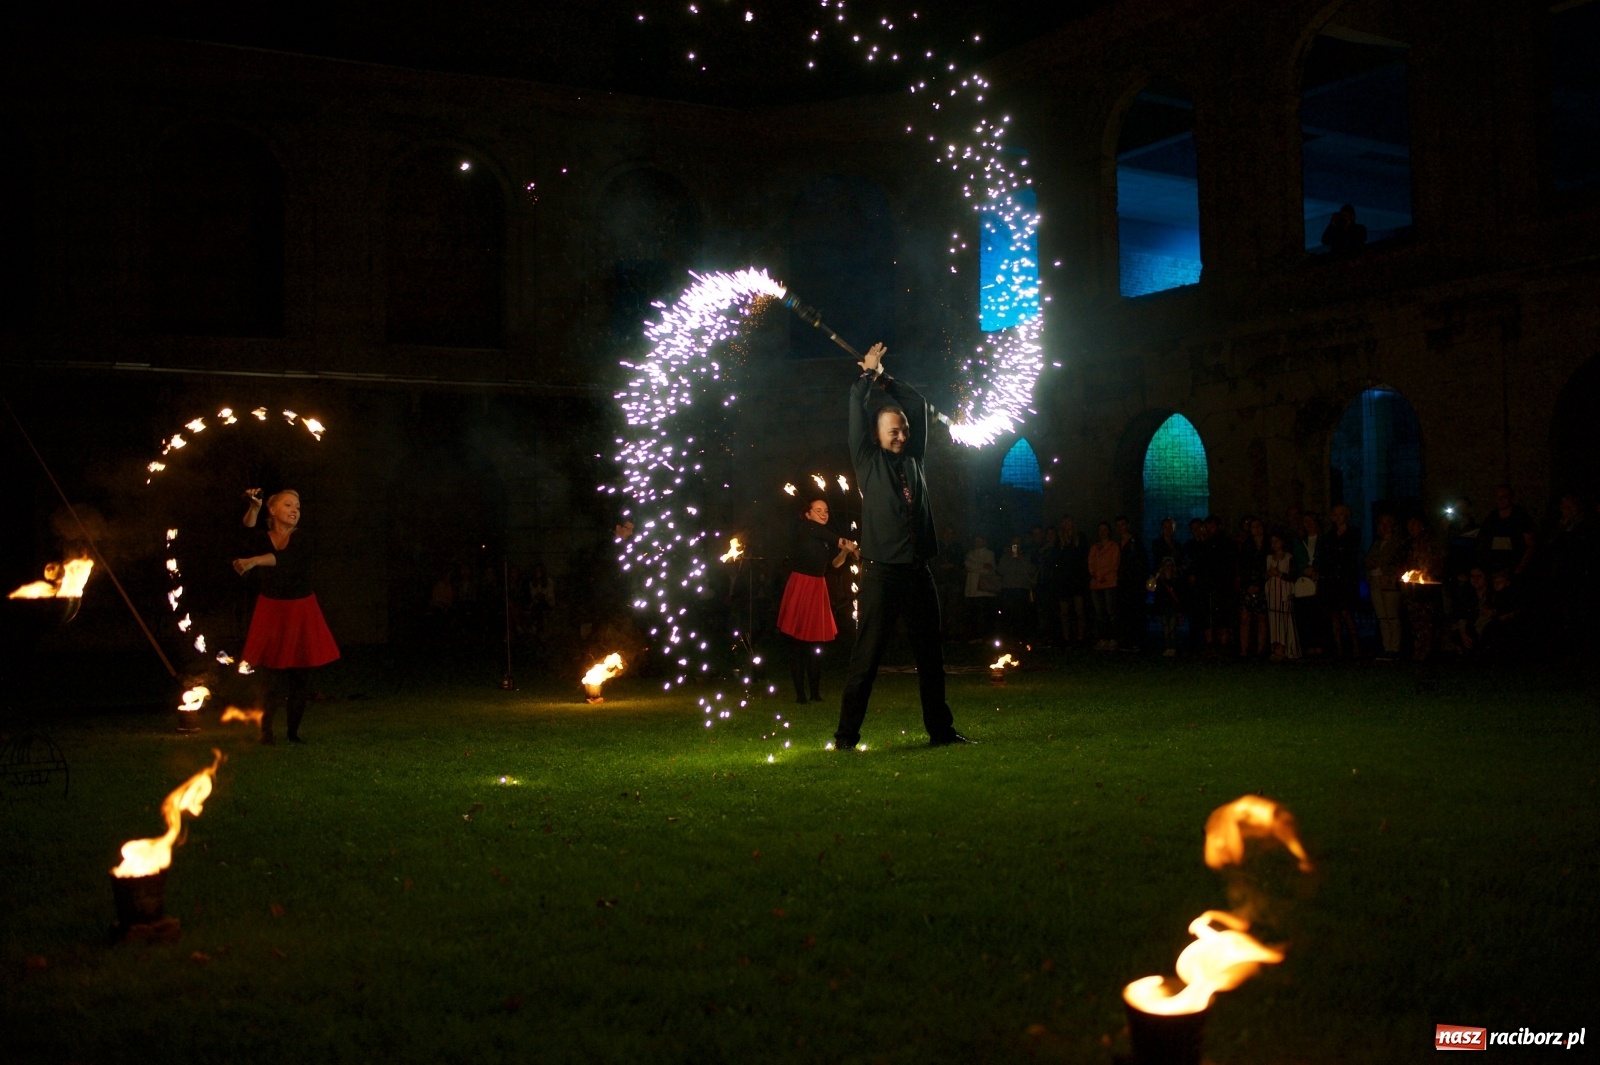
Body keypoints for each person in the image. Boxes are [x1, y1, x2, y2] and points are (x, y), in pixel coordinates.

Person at [833, 343, 968, 751]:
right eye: (892, 430)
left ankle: (941, 733)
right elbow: (856, 409)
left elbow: (917, 402)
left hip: (917, 572)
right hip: (880, 573)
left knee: (931, 658)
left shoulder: (916, 457)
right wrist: (865, 378)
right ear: (876, 435)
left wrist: (885, 379)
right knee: (866, 660)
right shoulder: (866, 460)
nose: (900, 435)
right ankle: (845, 738)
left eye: (903, 429)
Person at [233, 489, 340, 743]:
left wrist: (253, 562)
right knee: (270, 677)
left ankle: (293, 734)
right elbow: (245, 534)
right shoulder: (263, 537)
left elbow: (286, 560)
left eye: (298, 507)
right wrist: (255, 507)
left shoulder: (303, 539)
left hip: (300, 610)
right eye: (288, 505)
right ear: (273, 510)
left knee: (299, 675)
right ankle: (266, 731)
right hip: (272, 610)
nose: (295, 510)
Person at [778, 498, 856, 703]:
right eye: (818, 510)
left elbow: (835, 564)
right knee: (797, 642)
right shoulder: (808, 528)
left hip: (817, 587)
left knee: (816, 643)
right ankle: (800, 695)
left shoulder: (823, 536)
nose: (824, 514)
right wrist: (852, 547)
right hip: (801, 585)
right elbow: (837, 539)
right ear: (808, 514)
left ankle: (814, 693)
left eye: (826, 510)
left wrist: (845, 553)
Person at [1364, 513, 1406, 661]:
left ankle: (1394, 647)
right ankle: (1386, 647)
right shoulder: (1377, 543)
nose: (1384, 526)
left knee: (1392, 615)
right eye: (1381, 523)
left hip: (1389, 581)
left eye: (1387, 523)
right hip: (1375, 580)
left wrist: (1384, 567)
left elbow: (1395, 561)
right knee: (1382, 616)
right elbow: (1368, 560)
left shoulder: (1398, 543)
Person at [1324, 504, 1362, 658]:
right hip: (1333, 579)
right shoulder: (1329, 535)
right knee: (1334, 615)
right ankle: (1339, 647)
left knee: (1346, 613)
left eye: (1341, 514)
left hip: (1346, 579)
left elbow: (1351, 553)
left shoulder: (1353, 532)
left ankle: (1356, 646)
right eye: (1335, 514)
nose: (1338, 517)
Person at [1476, 485, 1537, 579]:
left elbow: (1531, 544)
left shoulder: (1521, 517)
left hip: (1513, 568)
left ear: (1511, 498)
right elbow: (1483, 541)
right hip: (1494, 568)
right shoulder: (1491, 518)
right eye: (1498, 497)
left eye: (1504, 497)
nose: (1500, 500)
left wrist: (1520, 567)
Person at [1236, 517, 1270, 658]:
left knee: (1262, 618)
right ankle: (1244, 649)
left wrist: (1260, 584)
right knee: (1245, 618)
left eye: (1259, 525)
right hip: (1248, 586)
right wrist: (1247, 585)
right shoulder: (1246, 546)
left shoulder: (1268, 546)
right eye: (1253, 526)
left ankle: (1260, 649)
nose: (1257, 529)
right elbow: (1242, 568)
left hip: (1263, 585)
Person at [1265, 531, 1300, 661]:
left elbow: (1292, 575)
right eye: (1272, 541)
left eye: (1277, 541)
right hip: (1273, 592)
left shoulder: (1288, 557)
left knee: (1284, 620)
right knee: (1274, 620)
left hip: (1284, 592)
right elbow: (1266, 575)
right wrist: (1269, 574)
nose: (1274, 544)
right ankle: (1276, 647)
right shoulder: (1269, 558)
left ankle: (1286, 647)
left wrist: (1279, 574)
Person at [1113, 516, 1148, 651]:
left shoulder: (1135, 542)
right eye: (1118, 525)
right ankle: (1127, 640)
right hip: (1122, 582)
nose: (1120, 528)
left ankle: (1137, 641)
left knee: (1135, 611)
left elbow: (1141, 562)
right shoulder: (1117, 542)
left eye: (1122, 525)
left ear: (1127, 525)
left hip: (1134, 582)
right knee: (1124, 612)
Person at [1057, 516, 1091, 646]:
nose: (1067, 524)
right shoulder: (1060, 539)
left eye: (1069, 521)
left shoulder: (1080, 537)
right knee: (1064, 611)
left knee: (1079, 610)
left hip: (1077, 578)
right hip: (1064, 579)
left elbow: (1083, 555)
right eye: (1064, 522)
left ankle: (1080, 637)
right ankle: (1066, 637)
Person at [996, 535, 1037, 639]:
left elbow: (1031, 570)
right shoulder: (1005, 556)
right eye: (1014, 544)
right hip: (1008, 589)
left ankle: (1021, 638)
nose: (1016, 546)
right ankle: (1009, 638)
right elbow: (1000, 570)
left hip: (1022, 589)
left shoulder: (1026, 556)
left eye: (1018, 543)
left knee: (1022, 615)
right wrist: (1010, 558)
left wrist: (1021, 558)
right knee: (1009, 615)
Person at [1088, 521, 1120, 650]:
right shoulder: (1094, 547)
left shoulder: (1113, 546)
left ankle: (1113, 638)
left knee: (1111, 612)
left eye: (1104, 529)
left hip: (1109, 583)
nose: (1102, 532)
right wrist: (1095, 574)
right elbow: (1090, 563)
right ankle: (1103, 638)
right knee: (1100, 613)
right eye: (1100, 529)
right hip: (1096, 584)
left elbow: (1114, 564)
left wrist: (1101, 574)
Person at [963, 534, 998, 640]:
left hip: (985, 590)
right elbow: (967, 565)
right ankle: (975, 636)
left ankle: (986, 637)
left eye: (979, 540)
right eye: (976, 541)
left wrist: (975, 566)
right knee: (974, 614)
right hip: (972, 590)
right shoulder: (970, 553)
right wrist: (981, 565)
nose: (977, 543)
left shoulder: (989, 553)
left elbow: (989, 568)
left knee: (985, 615)